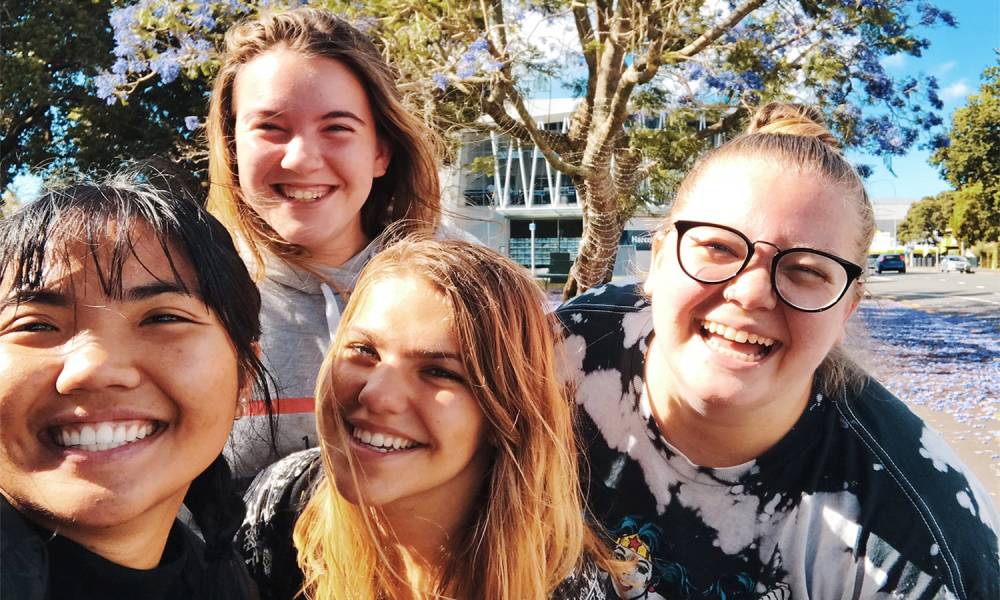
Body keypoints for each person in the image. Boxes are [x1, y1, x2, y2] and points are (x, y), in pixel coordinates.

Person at [556, 103, 999, 599]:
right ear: (659, 261)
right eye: (719, 248)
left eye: (807, 270)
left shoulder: (920, 551)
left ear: (846, 312)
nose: (749, 293)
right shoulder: (566, 348)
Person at [238, 238, 611, 600]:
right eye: (363, 350)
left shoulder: (565, 583)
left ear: (508, 413)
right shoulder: (281, 504)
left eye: (440, 372)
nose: (376, 394)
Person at [0, 173, 272, 599]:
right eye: (35, 324)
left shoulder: (227, 582)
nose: (93, 369)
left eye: (163, 318)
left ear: (244, 378)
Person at [205, 7, 445, 479]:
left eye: (337, 128)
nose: (301, 160)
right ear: (232, 147)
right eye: (270, 128)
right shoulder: (188, 294)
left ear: (380, 151)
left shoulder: (462, 284)